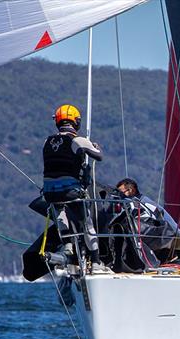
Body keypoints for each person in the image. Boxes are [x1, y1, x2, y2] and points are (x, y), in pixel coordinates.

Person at [42, 104, 106, 271]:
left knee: (59, 210)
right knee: (87, 223)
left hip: (50, 193)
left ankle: (68, 246)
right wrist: (96, 147)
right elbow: (98, 156)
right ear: (76, 122)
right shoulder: (77, 140)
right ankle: (96, 261)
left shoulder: (47, 141)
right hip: (71, 191)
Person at [112, 178, 180, 265]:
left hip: (169, 243)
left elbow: (145, 225)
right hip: (174, 240)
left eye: (121, 193)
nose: (118, 196)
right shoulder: (144, 201)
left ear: (130, 190)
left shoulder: (138, 204)